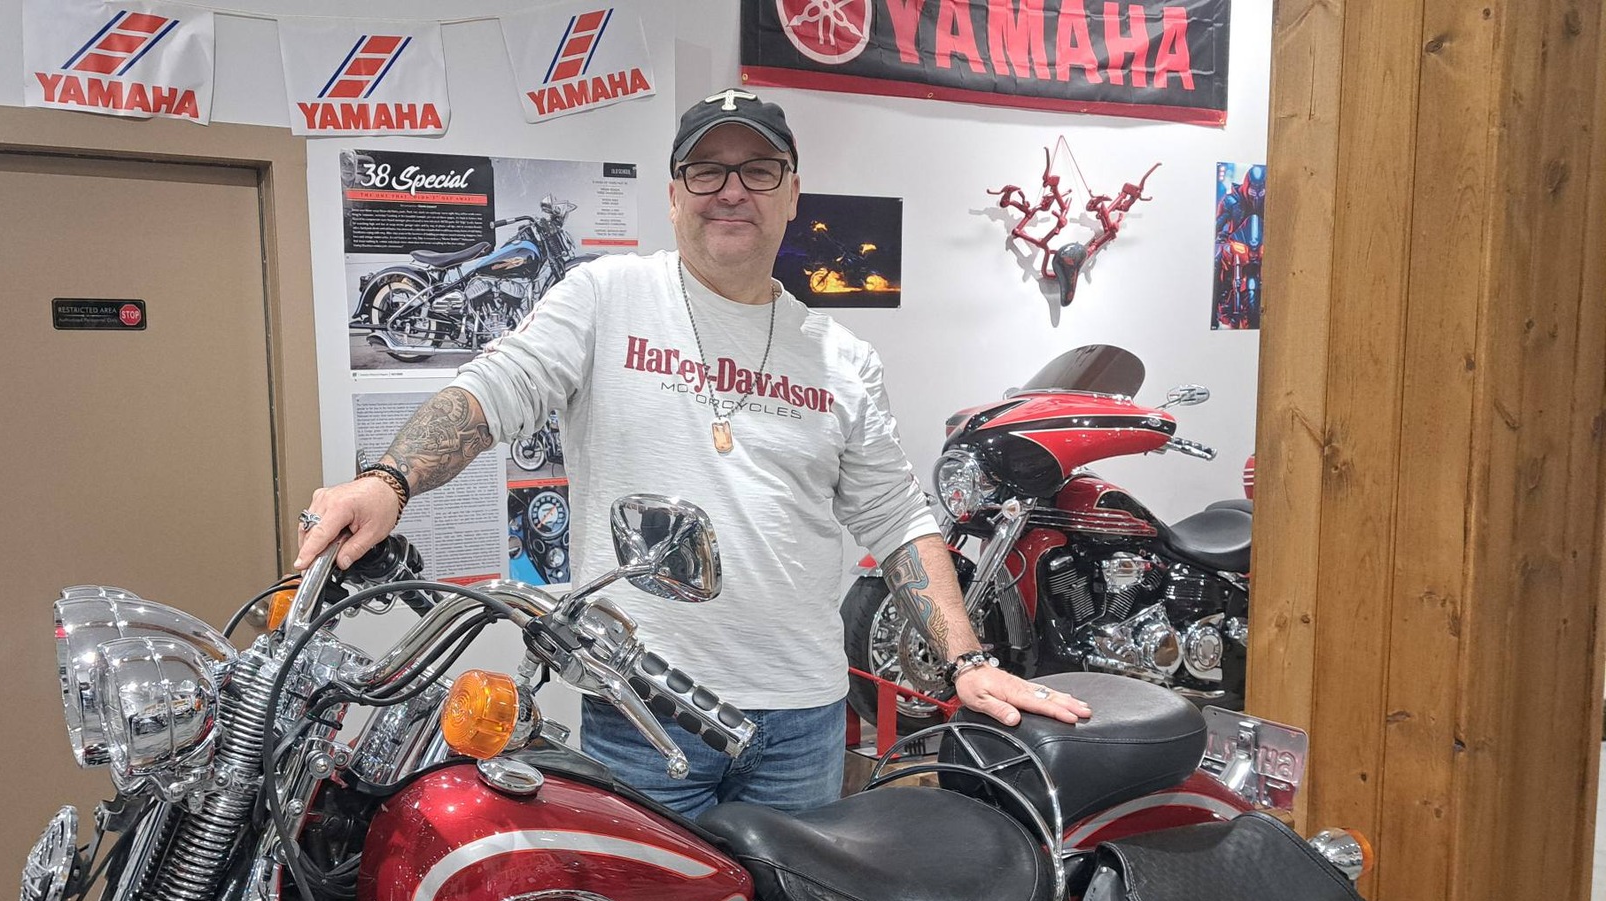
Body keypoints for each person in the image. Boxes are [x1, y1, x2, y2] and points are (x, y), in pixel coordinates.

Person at [299, 90, 1087, 817]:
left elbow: (896, 516)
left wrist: (963, 661)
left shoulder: (841, 356)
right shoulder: (606, 297)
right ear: (675, 195)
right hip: (639, 711)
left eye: (758, 169)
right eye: (706, 169)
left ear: (790, 196)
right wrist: (389, 479)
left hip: (804, 718)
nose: (731, 189)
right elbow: (495, 390)